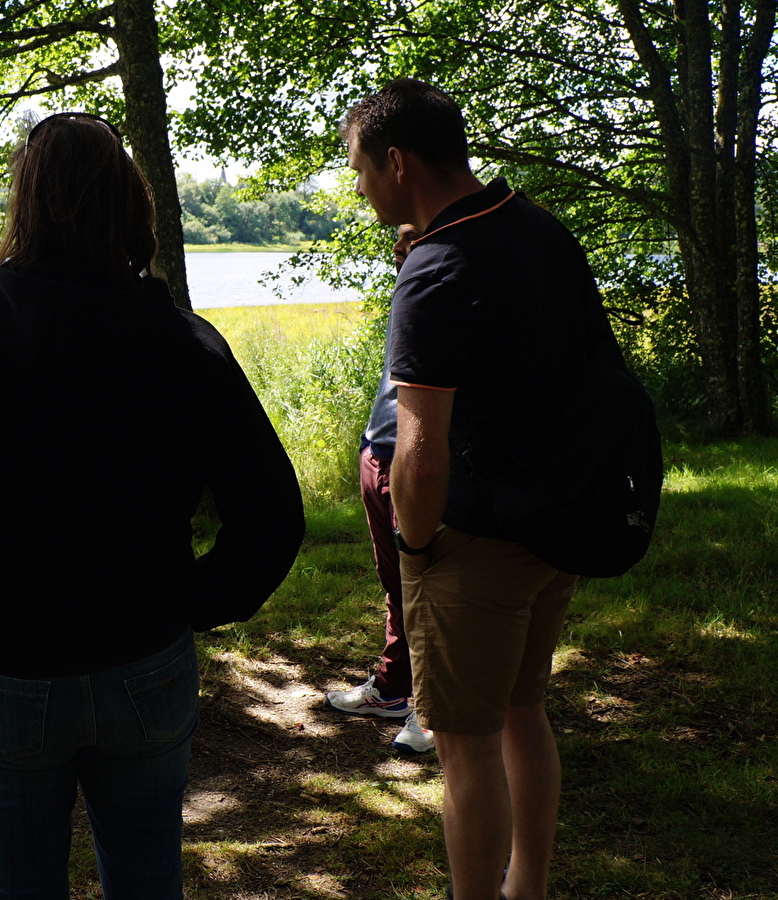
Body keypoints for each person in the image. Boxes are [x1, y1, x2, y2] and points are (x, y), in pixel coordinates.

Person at [0, 112, 306, 900]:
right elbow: (270, 512)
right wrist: (191, 604)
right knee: (147, 881)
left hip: (6, 664)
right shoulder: (182, 343)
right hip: (143, 659)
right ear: (129, 205)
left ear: (24, 207)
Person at [344, 77, 613, 900]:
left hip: (475, 544)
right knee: (523, 713)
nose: (357, 187)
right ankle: (524, 886)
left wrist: (414, 546)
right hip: (557, 524)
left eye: (358, 168)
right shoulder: (535, 228)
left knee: (462, 747)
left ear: (397, 161)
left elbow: (419, 452)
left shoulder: (439, 268)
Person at [324, 222, 436, 755]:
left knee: (426, 589)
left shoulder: (448, 285)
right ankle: (395, 688)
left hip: (407, 464)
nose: (396, 248)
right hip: (380, 452)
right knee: (396, 586)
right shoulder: (411, 290)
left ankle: (432, 711)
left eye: (408, 238)